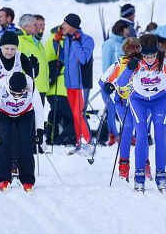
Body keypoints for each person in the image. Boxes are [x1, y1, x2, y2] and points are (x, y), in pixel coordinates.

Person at [108, 33, 166, 193]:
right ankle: (139, 176)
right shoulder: (136, 63)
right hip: (139, 101)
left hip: (159, 101)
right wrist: (129, 69)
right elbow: (121, 83)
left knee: (160, 135)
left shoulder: (164, 62)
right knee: (141, 134)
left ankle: (161, 176)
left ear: (157, 52)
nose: (150, 59)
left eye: (152, 56)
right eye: (146, 56)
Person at [0, 31, 36, 180]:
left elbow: (30, 79)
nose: (9, 52)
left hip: (13, 98)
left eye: (13, 48)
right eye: (6, 48)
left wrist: (35, 66)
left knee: (15, 132)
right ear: (1, 47)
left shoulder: (21, 57)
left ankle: (13, 164)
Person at [0, 70, 44, 192]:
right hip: (4, 113)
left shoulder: (32, 86)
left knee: (25, 143)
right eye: (14, 94)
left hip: (25, 113)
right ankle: (3, 178)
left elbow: (39, 109)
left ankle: (27, 179)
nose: (17, 97)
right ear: (9, 88)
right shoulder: (1, 87)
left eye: (20, 94)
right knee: (4, 141)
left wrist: (39, 132)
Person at [52, 13, 94, 154]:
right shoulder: (68, 39)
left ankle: (87, 143)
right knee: (75, 115)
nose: (62, 26)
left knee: (80, 114)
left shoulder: (87, 39)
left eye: (65, 24)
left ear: (73, 26)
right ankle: (80, 142)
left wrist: (76, 42)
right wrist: (56, 42)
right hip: (70, 84)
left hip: (82, 84)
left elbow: (83, 59)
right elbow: (63, 57)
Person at [99, 37, 140, 180]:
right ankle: (124, 163)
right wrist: (108, 86)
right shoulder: (120, 63)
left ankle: (144, 162)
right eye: (131, 47)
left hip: (140, 103)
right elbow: (102, 80)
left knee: (142, 130)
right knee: (128, 127)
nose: (134, 50)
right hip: (123, 102)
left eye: (137, 47)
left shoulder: (144, 63)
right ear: (126, 49)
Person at [99, 20, 129, 145]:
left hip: (123, 85)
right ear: (121, 29)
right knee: (111, 110)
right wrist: (110, 82)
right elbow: (106, 65)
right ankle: (114, 135)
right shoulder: (109, 43)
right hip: (110, 84)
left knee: (122, 110)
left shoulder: (124, 43)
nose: (128, 31)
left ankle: (125, 134)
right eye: (127, 29)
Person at [17, 14, 48, 104]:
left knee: (39, 116)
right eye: (35, 24)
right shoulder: (19, 40)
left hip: (40, 87)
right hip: (29, 88)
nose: (38, 27)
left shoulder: (37, 40)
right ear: (26, 26)